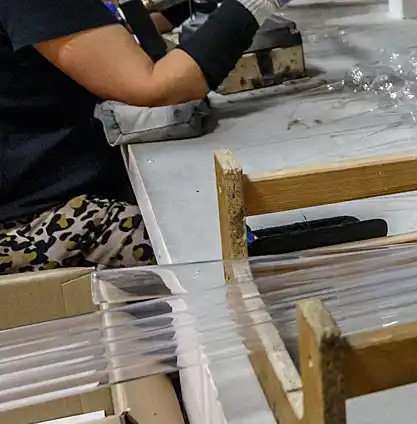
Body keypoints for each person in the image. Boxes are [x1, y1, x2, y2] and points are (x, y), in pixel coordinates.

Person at [0, 0, 289, 274]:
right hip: (39, 223)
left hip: (51, 185)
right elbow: (157, 86)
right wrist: (257, 4)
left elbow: (99, 32)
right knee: (231, 249)